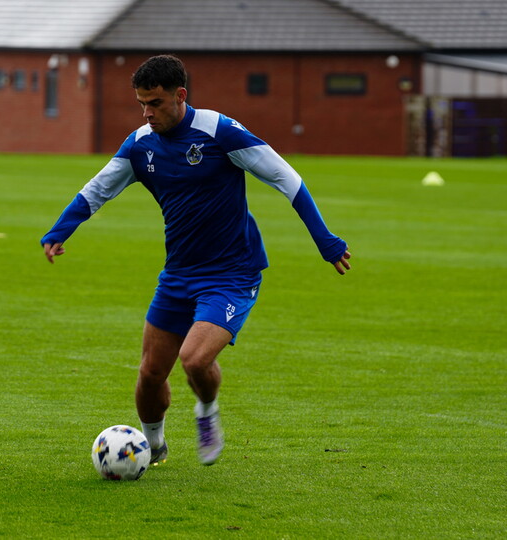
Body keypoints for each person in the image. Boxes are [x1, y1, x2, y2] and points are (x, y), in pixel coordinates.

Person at [41, 55, 351, 467]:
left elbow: (285, 177)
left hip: (232, 274)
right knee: (150, 374)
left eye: (154, 102)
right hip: (179, 274)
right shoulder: (140, 145)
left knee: (194, 359)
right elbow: (97, 190)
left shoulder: (219, 131)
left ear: (180, 95)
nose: (147, 112)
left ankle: (206, 411)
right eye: (141, 104)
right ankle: (154, 444)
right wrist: (60, 231)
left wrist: (325, 240)